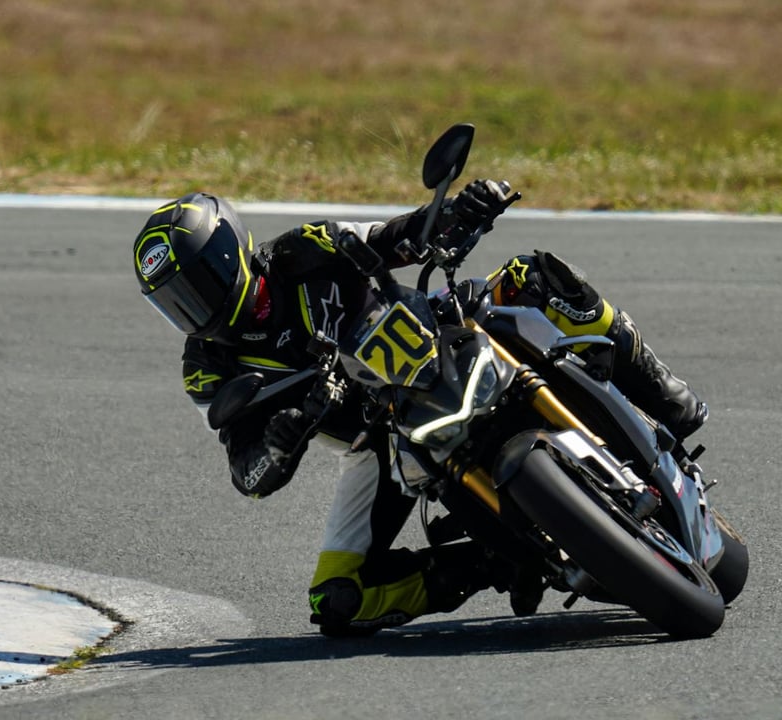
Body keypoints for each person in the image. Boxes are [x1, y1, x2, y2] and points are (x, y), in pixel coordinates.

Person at [131, 180, 707, 637]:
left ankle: (661, 391)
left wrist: (461, 211)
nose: (194, 308)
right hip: (373, 440)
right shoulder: (207, 369)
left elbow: (391, 238)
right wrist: (286, 432)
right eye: (176, 303)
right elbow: (248, 474)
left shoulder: (304, 250)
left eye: (200, 283)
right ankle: (492, 562)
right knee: (338, 601)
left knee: (536, 276)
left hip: (433, 326)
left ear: (232, 251)